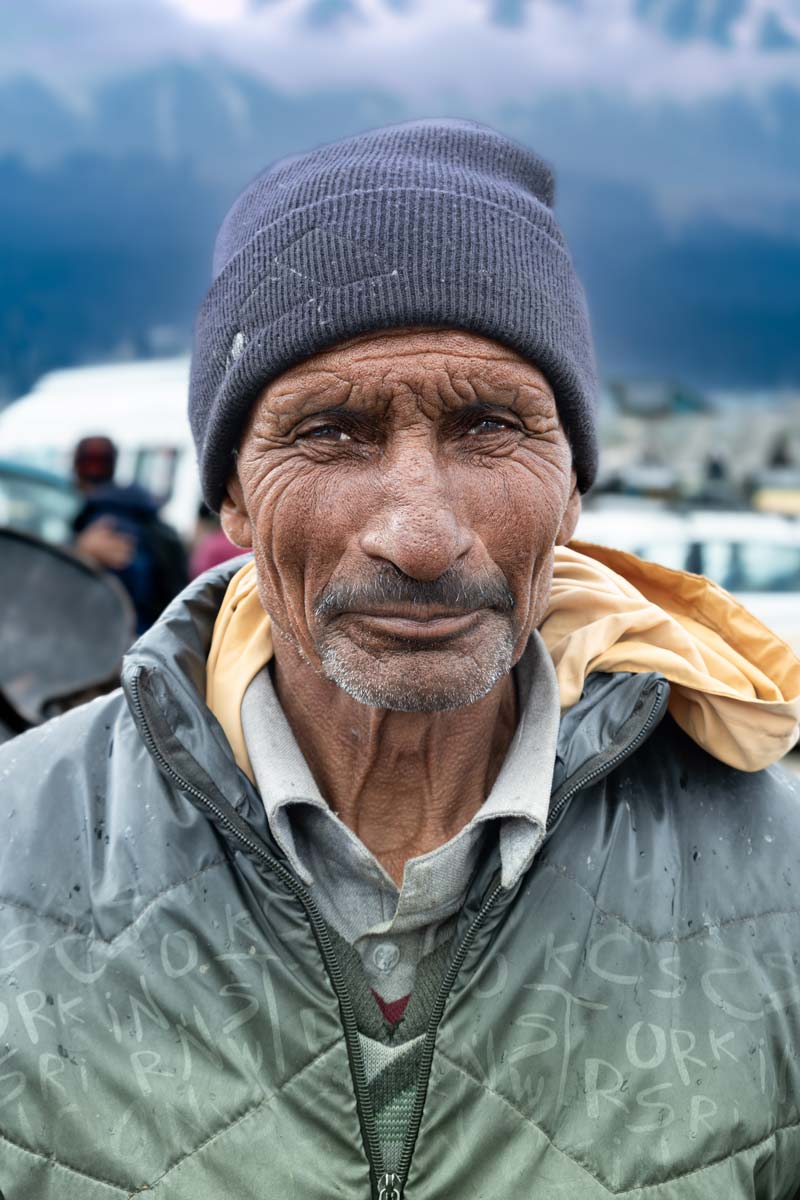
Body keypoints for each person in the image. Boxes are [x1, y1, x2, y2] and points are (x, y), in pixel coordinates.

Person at [2, 120, 800, 1200]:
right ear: (230, 493)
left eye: (489, 426)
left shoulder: (774, 873)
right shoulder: (18, 845)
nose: (418, 536)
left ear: (572, 487)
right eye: (330, 431)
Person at [71, 434, 189, 633]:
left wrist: (77, 552)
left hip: (119, 640)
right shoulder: (141, 513)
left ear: (76, 470)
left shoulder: (101, 526)